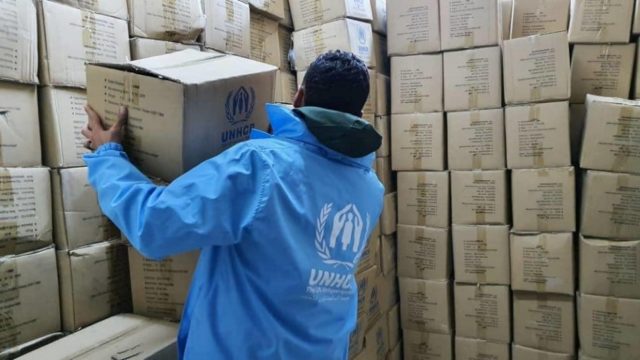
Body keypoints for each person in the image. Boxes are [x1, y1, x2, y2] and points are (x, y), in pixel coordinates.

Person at [81, 50, 384, 359]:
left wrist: (109, 157)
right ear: (359, 116)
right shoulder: (370, 188)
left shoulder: (259, 166)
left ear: (298, 97)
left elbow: (153, 226)